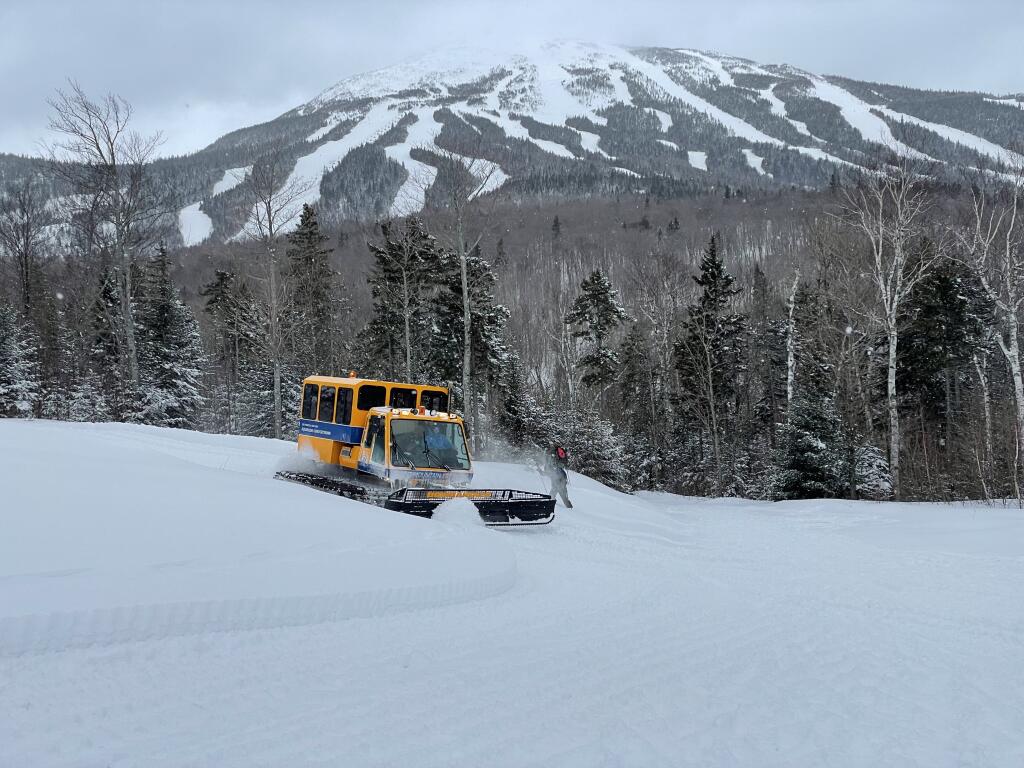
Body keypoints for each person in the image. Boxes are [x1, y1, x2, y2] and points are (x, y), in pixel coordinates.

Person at [544, 444, 573, 509]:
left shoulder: (549, 452)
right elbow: (563, 462)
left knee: (555, 487)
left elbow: (547, 463)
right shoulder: (558, 451)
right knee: (561, 489)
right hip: (558, 472)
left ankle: (551, 500)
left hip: (552, 472)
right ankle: (567, 505)